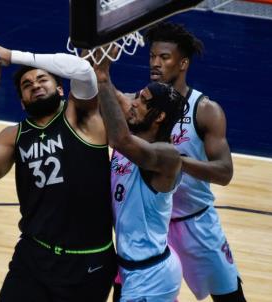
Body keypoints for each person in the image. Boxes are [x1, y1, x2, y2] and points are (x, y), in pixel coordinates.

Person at [0, 39, 116, 302]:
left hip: (88, 261)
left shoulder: (82, 118)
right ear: (22, 103)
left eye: (42, 80)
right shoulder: (14, 136)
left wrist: (13, 56)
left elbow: (82, 70)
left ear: (60, 89)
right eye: (26, 85)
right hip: (34, 257)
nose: (34, 84)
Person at [145, 21, 247, 301]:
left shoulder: (205, 110)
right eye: (152, 56)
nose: (155, 63)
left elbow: (225, 172)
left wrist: (175, 161)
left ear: (183, 63)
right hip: (152, 226)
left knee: (229, 297)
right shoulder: (143, 104)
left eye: (164, 57)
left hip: (196, 223)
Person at [94, 48, 189, 301]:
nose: (133, 102)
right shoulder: (137, 128)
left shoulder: (166, 157)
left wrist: (102, 75)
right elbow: (111, 94)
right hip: (128, 268)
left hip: (151, 275)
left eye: (142, 100)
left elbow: (119, 139)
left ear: (159, 116)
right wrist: (95, 58)